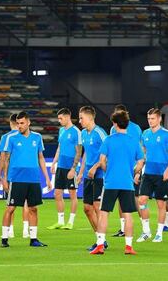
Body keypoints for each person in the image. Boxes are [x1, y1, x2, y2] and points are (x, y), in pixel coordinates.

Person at [90, 110, 144, 255]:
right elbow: (141, 160)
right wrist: (134, 171)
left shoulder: (109, 140)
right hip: (127, 182)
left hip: (111, 182)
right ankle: (128, 247)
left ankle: (100, 245)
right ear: (127, 123)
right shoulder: (133, 141)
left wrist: (108, 170)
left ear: (114, 123)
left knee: (104, 213)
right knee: (127, 214)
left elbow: (101, 161)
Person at [0, 111, 52, 248]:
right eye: (18, 123)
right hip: (16, 179)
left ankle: (33, 239)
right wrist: (4, 178)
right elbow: (6, 159)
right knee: (10, 208)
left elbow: (41, 157)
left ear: (29, 122)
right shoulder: (12, 138)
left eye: (22, 123)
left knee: (33, 208)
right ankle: (4, 238)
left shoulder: (37, 137)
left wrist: (47, 178)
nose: (19, 126)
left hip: (33, 179)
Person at [77, 106, 108, 251]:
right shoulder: (83, 133)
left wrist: (95, 167)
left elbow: (107, 155)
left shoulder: (100, 133)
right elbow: (85, 154)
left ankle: (101, 241)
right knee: (87, 208)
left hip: (100, 175)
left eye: (81, 118)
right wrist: (80, 172)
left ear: (90, 118)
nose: (80, 121)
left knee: (97, 206)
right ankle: (100, 239)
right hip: (88, 175)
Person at [110, 104, 142, 237]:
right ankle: (123, 229)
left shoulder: (135, 128)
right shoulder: (113, 129)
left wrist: (138, 171)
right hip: (119, 169)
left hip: (132, 168)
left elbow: (140, 149)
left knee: (136, 199)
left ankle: (144, 227)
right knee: (120, 199)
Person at [136, 108, 168, 243]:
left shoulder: (166, 134)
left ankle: (159, 233)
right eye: (149, 119)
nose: (150, 121)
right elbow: (143, 153)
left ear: (159, 119)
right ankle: (146, 231)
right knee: (141, 201)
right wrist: (138, 171)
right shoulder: (145, 133)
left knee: (161, 204)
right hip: (148, 173)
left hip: (162, 173)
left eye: (153, 118)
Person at [0, 113, 30, 238]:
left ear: (11, 123)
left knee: (10, 203)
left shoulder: (6, 137)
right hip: (25, 174)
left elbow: (2, 158)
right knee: (26, 202)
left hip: (11, 175)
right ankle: (26, 230)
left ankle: (10, 230)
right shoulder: (29, 136)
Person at [48, 108, 81, 230]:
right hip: (61, 166)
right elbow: (59, 147)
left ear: (68, 117)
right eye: (58, 118)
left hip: (70, 167)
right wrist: (53, 163)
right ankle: (60, 221)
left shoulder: (76, 132)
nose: (59, 121)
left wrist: (74, 168)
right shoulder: (61, 130)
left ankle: (70, 222)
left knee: (73, 194)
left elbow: (79, 151)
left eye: (61, 118)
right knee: (57, 193)